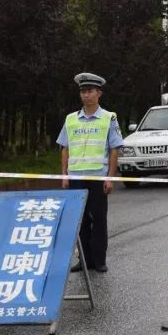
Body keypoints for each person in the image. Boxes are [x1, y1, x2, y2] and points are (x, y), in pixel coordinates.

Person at [57, 72, 123, 273]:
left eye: (90, 91)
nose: (86, 95)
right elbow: (65, 148)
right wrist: (64, 175)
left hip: (97, 177)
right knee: (81, 219)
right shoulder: (71, 119)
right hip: (76, 176)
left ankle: (99, 259)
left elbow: (114, 149)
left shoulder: (108, 118)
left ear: (98, 93)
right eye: (83, 92)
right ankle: (84, 259)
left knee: (99, 218)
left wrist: (109, 178)